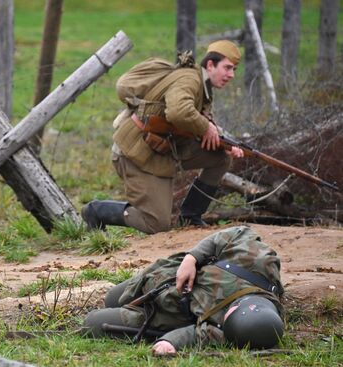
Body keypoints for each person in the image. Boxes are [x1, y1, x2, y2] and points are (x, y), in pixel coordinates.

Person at [82, 40, 245, 234]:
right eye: (227, 68)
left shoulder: (203, 86)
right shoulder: (190, 80)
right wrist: (206, 127)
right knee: (156, 224)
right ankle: (95, 211)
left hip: (163, 151)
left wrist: (226, 142)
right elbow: (178, 112)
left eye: (234, 69)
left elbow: (200, 123)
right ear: (210, 64)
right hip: (136, 153)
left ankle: (190, 216)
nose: (231, 75)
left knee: (220, 158)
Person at [82, 226, 285, 355]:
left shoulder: (243, 331)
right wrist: (192, 258)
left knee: (92, 324)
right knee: (112, 297)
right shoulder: (260, 262)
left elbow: (199, 335)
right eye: (231, 312)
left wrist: (170, 342)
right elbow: (236, 232)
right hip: (163, 278)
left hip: (163, 314)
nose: (225, 315)